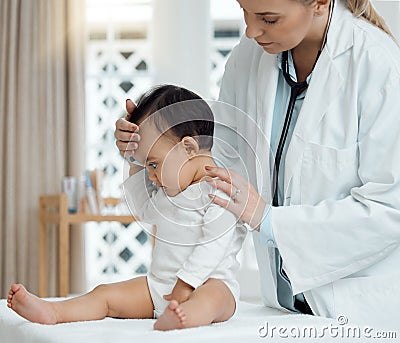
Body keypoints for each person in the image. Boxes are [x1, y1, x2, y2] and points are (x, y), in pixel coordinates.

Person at [115, 0, 400, 327]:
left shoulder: (378, 65)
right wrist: (141, 151)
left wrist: (266, 218)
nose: (250, 30)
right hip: (283, 309)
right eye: (244, 11)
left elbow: (390, 209)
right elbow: (213, 164)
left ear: (320, 3)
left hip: (358, 308)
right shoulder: (247, 58)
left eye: (268, 18)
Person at [8, 85, 247, 330]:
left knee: (211, 299)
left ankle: (183, 317)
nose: (151, 176)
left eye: (153, 164)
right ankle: (54, 311)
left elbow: (213, 245)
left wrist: (186, 285)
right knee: (105, 294)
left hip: (209, 282)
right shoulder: (170, 191)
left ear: (188, 148)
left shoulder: (221, 190)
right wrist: (133, 163)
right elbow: (143, 210)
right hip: (160, 286)